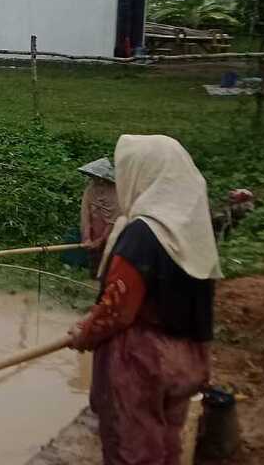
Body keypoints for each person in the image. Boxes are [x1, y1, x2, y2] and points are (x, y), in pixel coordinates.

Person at [68, 134, 220, 465]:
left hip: (142, 363)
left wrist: (85, 333)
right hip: (186, 359)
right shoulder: (194, 233)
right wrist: (204, 359)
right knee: (166, 442)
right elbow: (205, 305)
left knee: (132, 449)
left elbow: (117, 309)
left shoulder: (142, 234)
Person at [78, 157, 118, 272]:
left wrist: (101, 240)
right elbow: (85, 215)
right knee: (95, 267)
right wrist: (87, 238)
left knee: (109, 269)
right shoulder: (90, 190)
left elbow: (114, 220)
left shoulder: (115, 192)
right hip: (93, 234)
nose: (94, 180)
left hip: (111, 236)